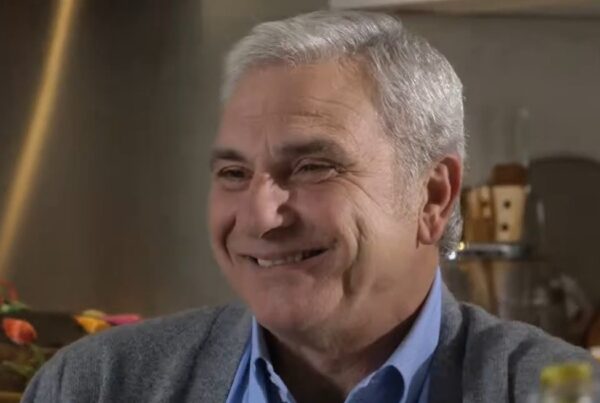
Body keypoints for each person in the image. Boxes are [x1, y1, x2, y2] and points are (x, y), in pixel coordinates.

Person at [23, 10, 596, 403]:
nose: (260, 216)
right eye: (233, 173)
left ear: (432, 195)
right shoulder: (95, 386)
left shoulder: (558, 389)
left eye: (313, 167)